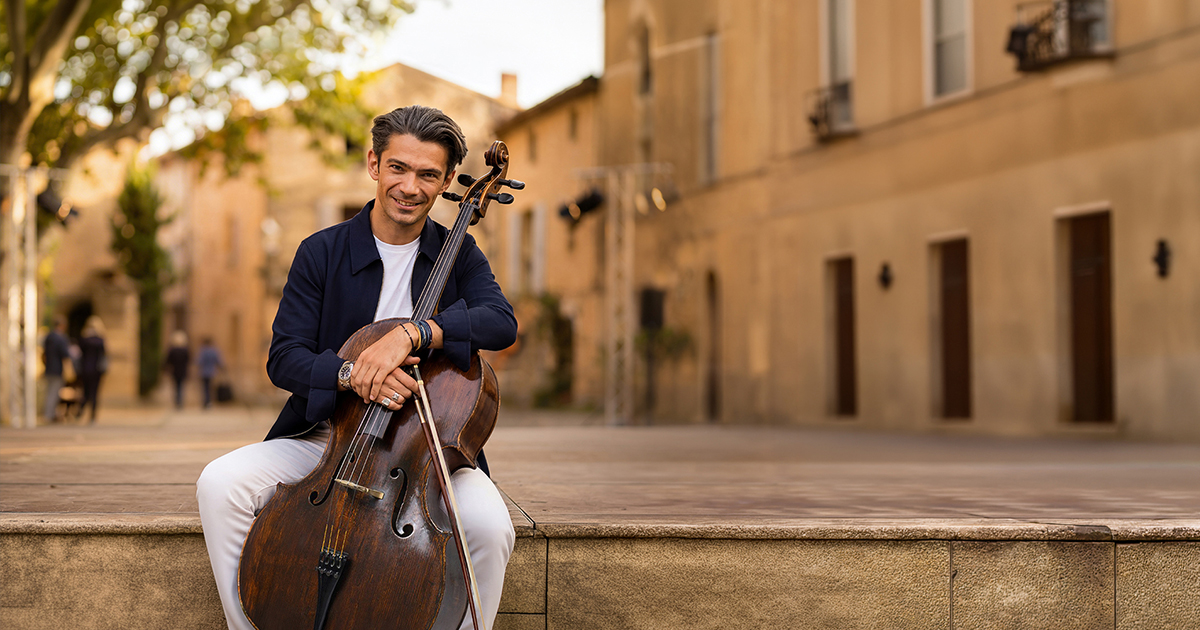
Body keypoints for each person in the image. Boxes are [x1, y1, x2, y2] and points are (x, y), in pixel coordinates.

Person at [196, 105, 518, 630]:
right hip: (325, 440)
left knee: (488, 526)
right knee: (220, 483)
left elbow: (500, 322)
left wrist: (415, 333)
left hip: (423, 458)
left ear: (448, 182)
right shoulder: (320, 253)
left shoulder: (458, 254)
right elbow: (285, 358)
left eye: (427, 174)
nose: (409, 186)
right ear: (374, 164)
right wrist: (352, 373)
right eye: (398, 168)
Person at [76, 316, 107, 424]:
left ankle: (80, 411)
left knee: (85, 392)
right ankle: (93, 417)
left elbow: (79, 352)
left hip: (85, 369)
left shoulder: (84, 339)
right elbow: (104, 354)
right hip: (97, 370)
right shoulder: (100, 340)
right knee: (94, 393)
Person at [42, 316, 72, 423]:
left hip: (48, 368)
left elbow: (43, 354)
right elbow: (65, 355)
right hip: (57, 369)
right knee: (54, 393)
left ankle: (50, 413)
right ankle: (49, 415)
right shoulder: (61, 338)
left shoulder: (48, 337)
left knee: (49, 392)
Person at [164, 330, 190, 408]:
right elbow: (189, 360)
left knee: (176, 386)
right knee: (181, 386)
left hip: (175, 370)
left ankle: (177, 401)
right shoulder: (185, 351)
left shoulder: (172, 350)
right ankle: (180, 401)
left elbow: (167, 361)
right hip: (182, 370)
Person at [196, 337, 224, 408]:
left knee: (205, 387)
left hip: (204, 372)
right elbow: (219, 361)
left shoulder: (203, 351)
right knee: (210, 387)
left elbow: (199, 362)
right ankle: (209, 401)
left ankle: (206, 401)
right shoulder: (214, 351)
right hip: (212, 372)